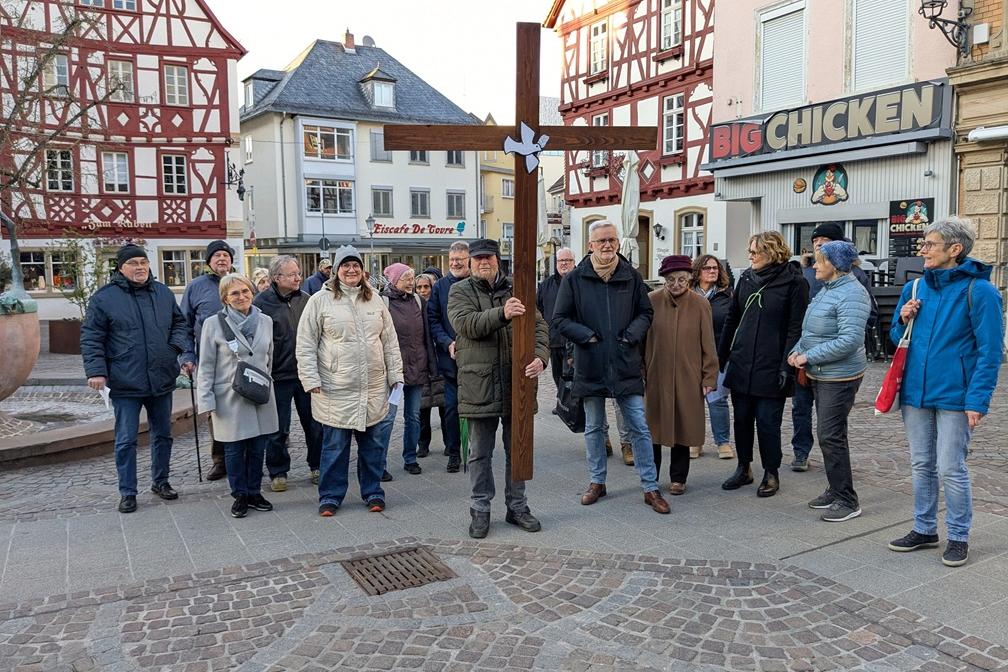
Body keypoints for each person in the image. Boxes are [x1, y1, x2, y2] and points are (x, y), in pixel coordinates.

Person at [886, 217, 1004, 567]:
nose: (922, 250)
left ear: (955, 249)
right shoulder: (915, 289)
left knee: (951, 467)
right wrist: (903, 319)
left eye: (930, 244)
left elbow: (990, 351)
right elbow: (896, 340)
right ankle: (924, 528)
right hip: (915, 393)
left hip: (956, 394)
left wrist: (977, 400)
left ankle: (958, 536)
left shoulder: (980, 291)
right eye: (923, 244)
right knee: (921, 463)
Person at [553, 220, 670, 514]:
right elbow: (560, 319)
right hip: (590, 362)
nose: (607, 245)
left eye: (611, 240)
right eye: (601, 240)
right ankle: (597, 482)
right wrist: (587, 336)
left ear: (618, 243)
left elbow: (645, 313)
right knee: (594, 427)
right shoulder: (575, 279)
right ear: (590, 245)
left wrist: (631, 336)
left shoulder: (631, 276)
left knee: (639, 427)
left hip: (624, 361)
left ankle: (650, 486)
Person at [447, 239, 550, 538]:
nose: (483, 263)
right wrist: (502, 314)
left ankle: (517, 506)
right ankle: (480, 509)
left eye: (488, 258)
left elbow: (539, 326)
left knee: (518, 449)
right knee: (480, 452)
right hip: (480, 384)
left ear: (497, 260)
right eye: (478, 259)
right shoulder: (460, 291)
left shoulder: (518, 288)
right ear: (470, 263)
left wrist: (540, 357)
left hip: (517, 382)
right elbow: (466, 324)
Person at [296, 246, 404, 516]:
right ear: (336, 270)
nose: (351, 270)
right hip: (336, 388)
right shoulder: (319, 301)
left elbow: (389, 342)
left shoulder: (376, 300)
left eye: (356, 265)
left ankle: (373, 492)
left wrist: (396, 376)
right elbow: (306, 343)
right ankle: (330, 496)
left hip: (373, 387)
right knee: (334, 447)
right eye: (346, 265)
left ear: (362, 269)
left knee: (373, 447)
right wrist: (310, 378)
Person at [81, 244, 188, 513]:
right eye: (133, 263)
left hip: (160, 377)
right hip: (125, 380)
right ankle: (127, 491)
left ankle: (161, 481)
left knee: (163, 434)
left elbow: (180, 323)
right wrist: (96, 371)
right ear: (121, 267)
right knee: (126, 439)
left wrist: (172, 349)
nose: (140, 267)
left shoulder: (162, 292)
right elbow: (92, 336)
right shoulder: (104, 298)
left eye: (144, 262)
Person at [718, 231, 808, 497]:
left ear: (772, 252)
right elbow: (732, 319)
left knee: (768, 423)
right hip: (743, 361)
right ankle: (744, 467)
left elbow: (796, 328)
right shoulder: (746, 278)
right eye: (750, 251)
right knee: (742, 420)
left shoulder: (794, 283)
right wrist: (721, 357)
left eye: (755, 252)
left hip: (772, 364)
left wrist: (786, 366)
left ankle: (771, 471)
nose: (750, 256)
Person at [787, 241, 871, 522]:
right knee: (830, 435)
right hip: (821, 372)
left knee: (830, 435)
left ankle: (847, 499)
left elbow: (849, 340)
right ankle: (836, 490)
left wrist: (808, 356)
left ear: (834, 265)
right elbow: (811, 330)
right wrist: (798, 349)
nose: (814, 266)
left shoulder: (851, 294)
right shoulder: (828, 290)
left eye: (820, 261)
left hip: (839, 376)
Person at [196, 274, 278, 518]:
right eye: (234, 293)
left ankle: (254, 491)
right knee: (233, 449)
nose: (241, 296)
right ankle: (239, 494)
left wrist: (264, 383)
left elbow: (268, 357)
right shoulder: (213, 324)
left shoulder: (265, 320)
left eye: (245, 291)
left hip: (260, 394)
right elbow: (206, 364)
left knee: (257, 447)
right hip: (228, 396)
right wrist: (207, 400)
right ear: (225, 298)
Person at [644, 255, 719, 495]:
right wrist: (639, 372)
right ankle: (650, 477)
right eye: (671, 280)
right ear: (663, 280)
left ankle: (678, 478)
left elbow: (708, 343)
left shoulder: (700, 304)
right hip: (655, 373)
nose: (676, 285)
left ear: (690, 279)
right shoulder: (650, 301)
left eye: (682, 280)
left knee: (683, 426)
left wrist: (709, 376)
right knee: (652, 428)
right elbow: (640, 340)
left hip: (688, 375)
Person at [253, 255, 322, 491]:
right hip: (277, 375)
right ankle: (278, 471)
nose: (298, 277)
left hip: (306, 373)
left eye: (298, 273)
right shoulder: (261, 303)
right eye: (292, 274)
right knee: (278, 427)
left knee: (314, 424)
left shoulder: (307, 300)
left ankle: (317, 465)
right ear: (276, 278)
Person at [179, 239, 235, 481]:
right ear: (209, 261)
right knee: (216, 412)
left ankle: (245, 457)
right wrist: (187, 356)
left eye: (226, 255)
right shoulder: (196, 287)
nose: (221, 259)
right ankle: (220, 460)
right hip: (210, 360)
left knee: (244, 407)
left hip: (240, 360)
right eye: (217, 256)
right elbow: (184, 324)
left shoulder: (241, 283)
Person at [381, 262, 435, 475]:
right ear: (395, 280)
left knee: (413, 416)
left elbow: (427, 336)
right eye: (407, 278)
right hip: (392, 369)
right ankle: (380, 464)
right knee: (387, 418)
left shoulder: (419, 302)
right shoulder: (383, 302)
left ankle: (410, 458)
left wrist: (431, 365)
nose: (411, 283)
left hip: (417, 366)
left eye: (412, 278)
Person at [428, 241, 470, 472]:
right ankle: (454, 452)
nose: (454, 263)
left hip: (477, 361)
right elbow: (433, 320)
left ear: (469, 260)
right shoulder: (440, 287)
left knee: (478, 409)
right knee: (452, 409)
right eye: (452, 260)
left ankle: (476, 450)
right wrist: (447, 343)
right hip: (451, 360)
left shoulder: (478, 283)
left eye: (459, 260)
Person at [692, 254, 735, 460]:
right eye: (707, 268)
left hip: (719, 353)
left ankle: (723, 442)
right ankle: (694, 440)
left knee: (717, 399)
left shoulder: (727, 296)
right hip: (691, 356)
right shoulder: (688, 294)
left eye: (716, 268)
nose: (712, 271)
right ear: (698, 271)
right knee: (693, 399)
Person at [414, 272, 446, 458]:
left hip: (440, 362)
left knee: (445, 407)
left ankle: (449, 444)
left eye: (426, 287)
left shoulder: (438, 304)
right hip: (421, 364)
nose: (423, 290)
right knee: (422, 409)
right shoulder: (413, 306)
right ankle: (423, 445)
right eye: (419, 287)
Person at [536, 246, 576, 390]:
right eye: (561, 260)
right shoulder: (546, 285)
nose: (564, 263)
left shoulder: (580, 282)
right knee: (557, 374)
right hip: (553, 339)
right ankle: (562, 403)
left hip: (574, 339)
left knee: (572, 375)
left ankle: (573, 406)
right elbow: (538, 309)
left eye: (567, 260)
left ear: (574, 262)